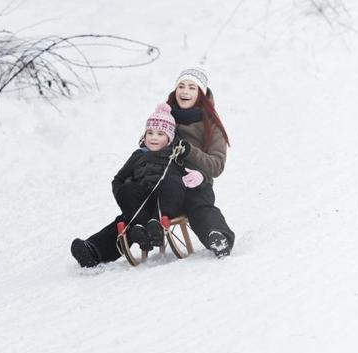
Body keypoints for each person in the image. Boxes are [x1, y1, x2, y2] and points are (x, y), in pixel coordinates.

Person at [71, 67, 235, 267]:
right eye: (181, 86)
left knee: (200, 209)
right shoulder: (164, 117)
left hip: (194, 186)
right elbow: (147, 150)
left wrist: (191, 153)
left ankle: (218, 237)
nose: (185, 92)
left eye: (192, 88)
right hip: (162, 184)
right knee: (137, 211)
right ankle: (95, 250)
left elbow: (217, 165)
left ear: (200, 93)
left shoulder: (210, 125)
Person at [110, 103, 204, 253]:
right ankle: (140, 229)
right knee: (127, 189)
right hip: (143, 204)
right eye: (150, 133)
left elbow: (191, 171)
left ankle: (157, 224)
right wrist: (122, 195)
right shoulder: (138, 155)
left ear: (169, 138)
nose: (154, 138)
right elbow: (118, 179)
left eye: (160, 134)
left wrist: (198, 177)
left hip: (168, 202)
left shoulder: (175, 154)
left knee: (171, 181)